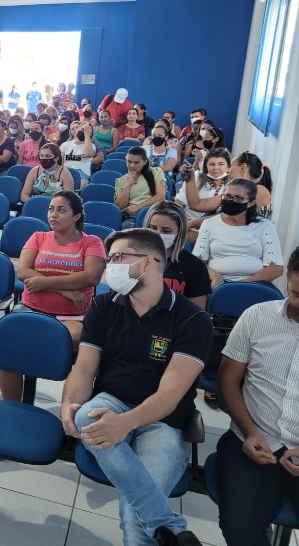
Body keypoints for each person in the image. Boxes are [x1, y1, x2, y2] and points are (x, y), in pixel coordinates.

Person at [62, 228, 212, 546]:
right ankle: (168, 524)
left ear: (147, 263)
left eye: (118, 258)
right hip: (113, 399)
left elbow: (171, 393)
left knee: (135, 519)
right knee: (85, 415)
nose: (110, 266)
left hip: (164, 420)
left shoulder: (192, 319)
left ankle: (156, 525)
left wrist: (124, 424)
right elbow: (84, 367)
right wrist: (68, 407)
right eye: (109, 258)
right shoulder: (104, 306)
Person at [215, 246, 299, 546]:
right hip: (252, 439)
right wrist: (249, 432)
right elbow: (227, 381)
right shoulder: (257, 317)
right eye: (297, 293)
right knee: (242, 531)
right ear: (288, 279)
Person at [0, 191, 105, 376]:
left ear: (76, 216)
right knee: (9, 344)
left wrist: (43, 282)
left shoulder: (92, 242)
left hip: (72, 315)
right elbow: (23, 272)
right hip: (31, 307)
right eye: (51, 209)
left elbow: (91, 277)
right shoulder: (38, 237)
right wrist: (65, 291)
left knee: (70, 338)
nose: (53, 215)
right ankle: (11, 403)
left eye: (61, 210)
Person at [193, 178, 284, 289]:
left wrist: (240, 286)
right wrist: (214, 276)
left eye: (238, 198)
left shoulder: (266, 226)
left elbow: (276, 268)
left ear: (251, 203)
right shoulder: (209, 224)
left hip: (255, 285)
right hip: (216, 284)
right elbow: (197, 262)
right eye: (227, 196)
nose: (231, 200)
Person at [143, 202, 211, 309]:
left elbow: (196, 314)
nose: (158, 234)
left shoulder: (195, 266)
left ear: (179, 232)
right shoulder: (133, 259)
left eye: (166, 231)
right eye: (152, 228)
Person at [114, 146, 167, 228]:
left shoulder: (155, 172)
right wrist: (128, 185)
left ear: (145, 161)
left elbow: (160, 196)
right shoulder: (121, 180)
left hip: (154, 215)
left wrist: (136, 208)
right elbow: (120, 206)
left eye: (136, 162)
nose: (132, 165)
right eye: (129, 161)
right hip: (132, 218)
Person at [229, 151, 272, 218]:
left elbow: (232, 215)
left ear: (243, 167)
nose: (227, 170)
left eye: (230, 166)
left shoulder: (259, 190)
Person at [60, 122, 96, 189]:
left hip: (82, 175)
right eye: (82, 129)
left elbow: (88, 154)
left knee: (76, 188)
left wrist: (87, 135)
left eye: (86, 131)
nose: (84, 132)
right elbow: (60, 163)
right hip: (66, 172)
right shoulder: (65, 145)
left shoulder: (92, 146)